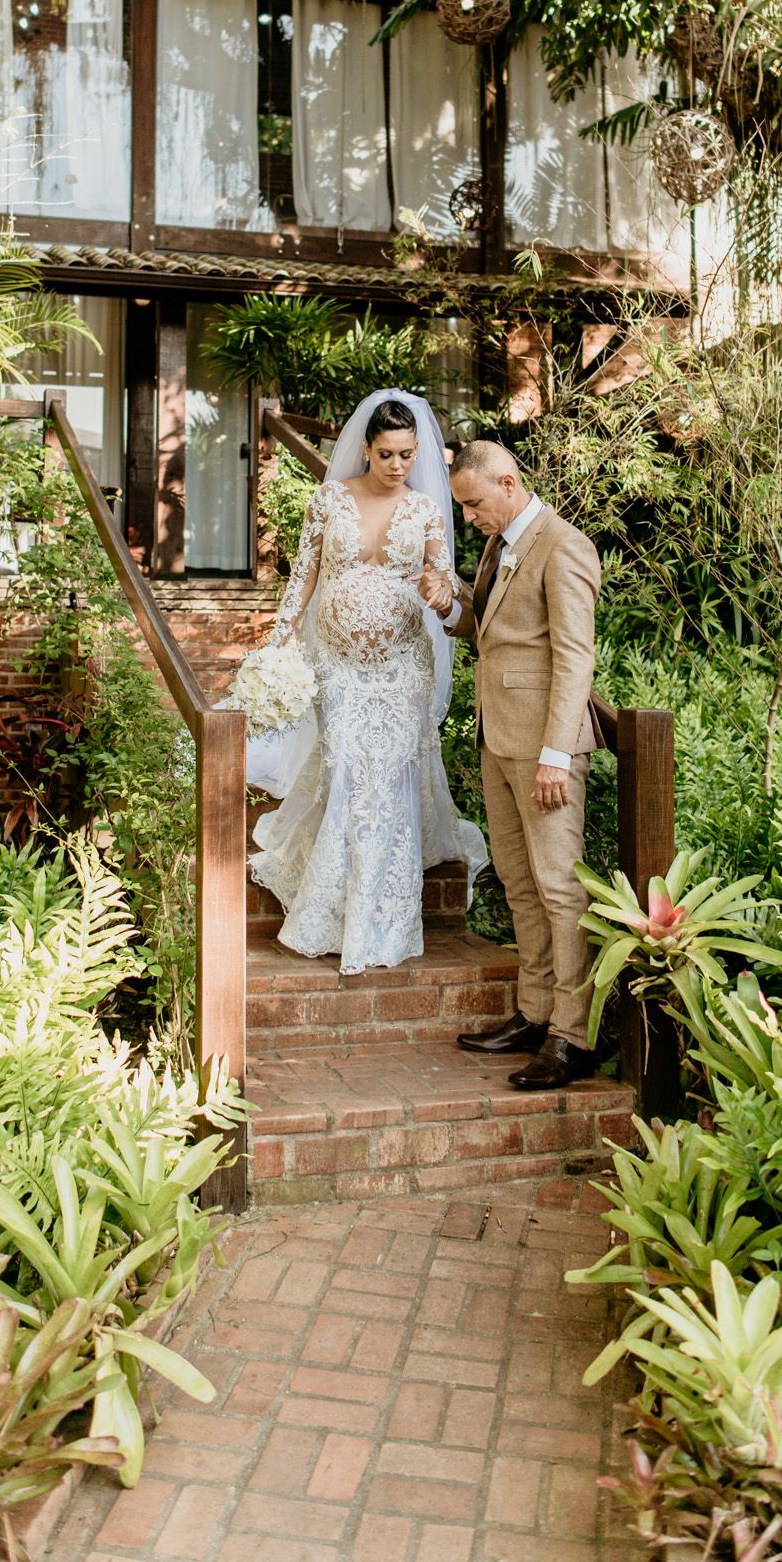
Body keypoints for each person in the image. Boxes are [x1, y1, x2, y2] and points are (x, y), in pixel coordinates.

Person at [248, 390, 486, 975]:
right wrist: (281, 638)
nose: (399, 466)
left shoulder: (427, 510)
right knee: (349, 768)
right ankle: (330, 910)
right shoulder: (329, 499)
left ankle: (383, 920)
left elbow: (442, 576)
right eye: (387, 455)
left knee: (393, 778)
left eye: (407, 455)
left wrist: (442, 589)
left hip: (404, 664)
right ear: (366, 449)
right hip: (337, 662)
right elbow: (303, 574)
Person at [419, 440, 601, 1090]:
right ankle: (534, 1012)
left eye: (472, 504)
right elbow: (489, 628)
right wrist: (447, 603)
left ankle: (572, 1037)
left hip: (544, 751)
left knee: (560, 889)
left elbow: (574, 657)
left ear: (507, 481)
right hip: (497, 739)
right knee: (519, 885)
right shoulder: (501, 545)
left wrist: (556, 753)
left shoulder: (565, 546)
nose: (468, 518)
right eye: (464, 508)